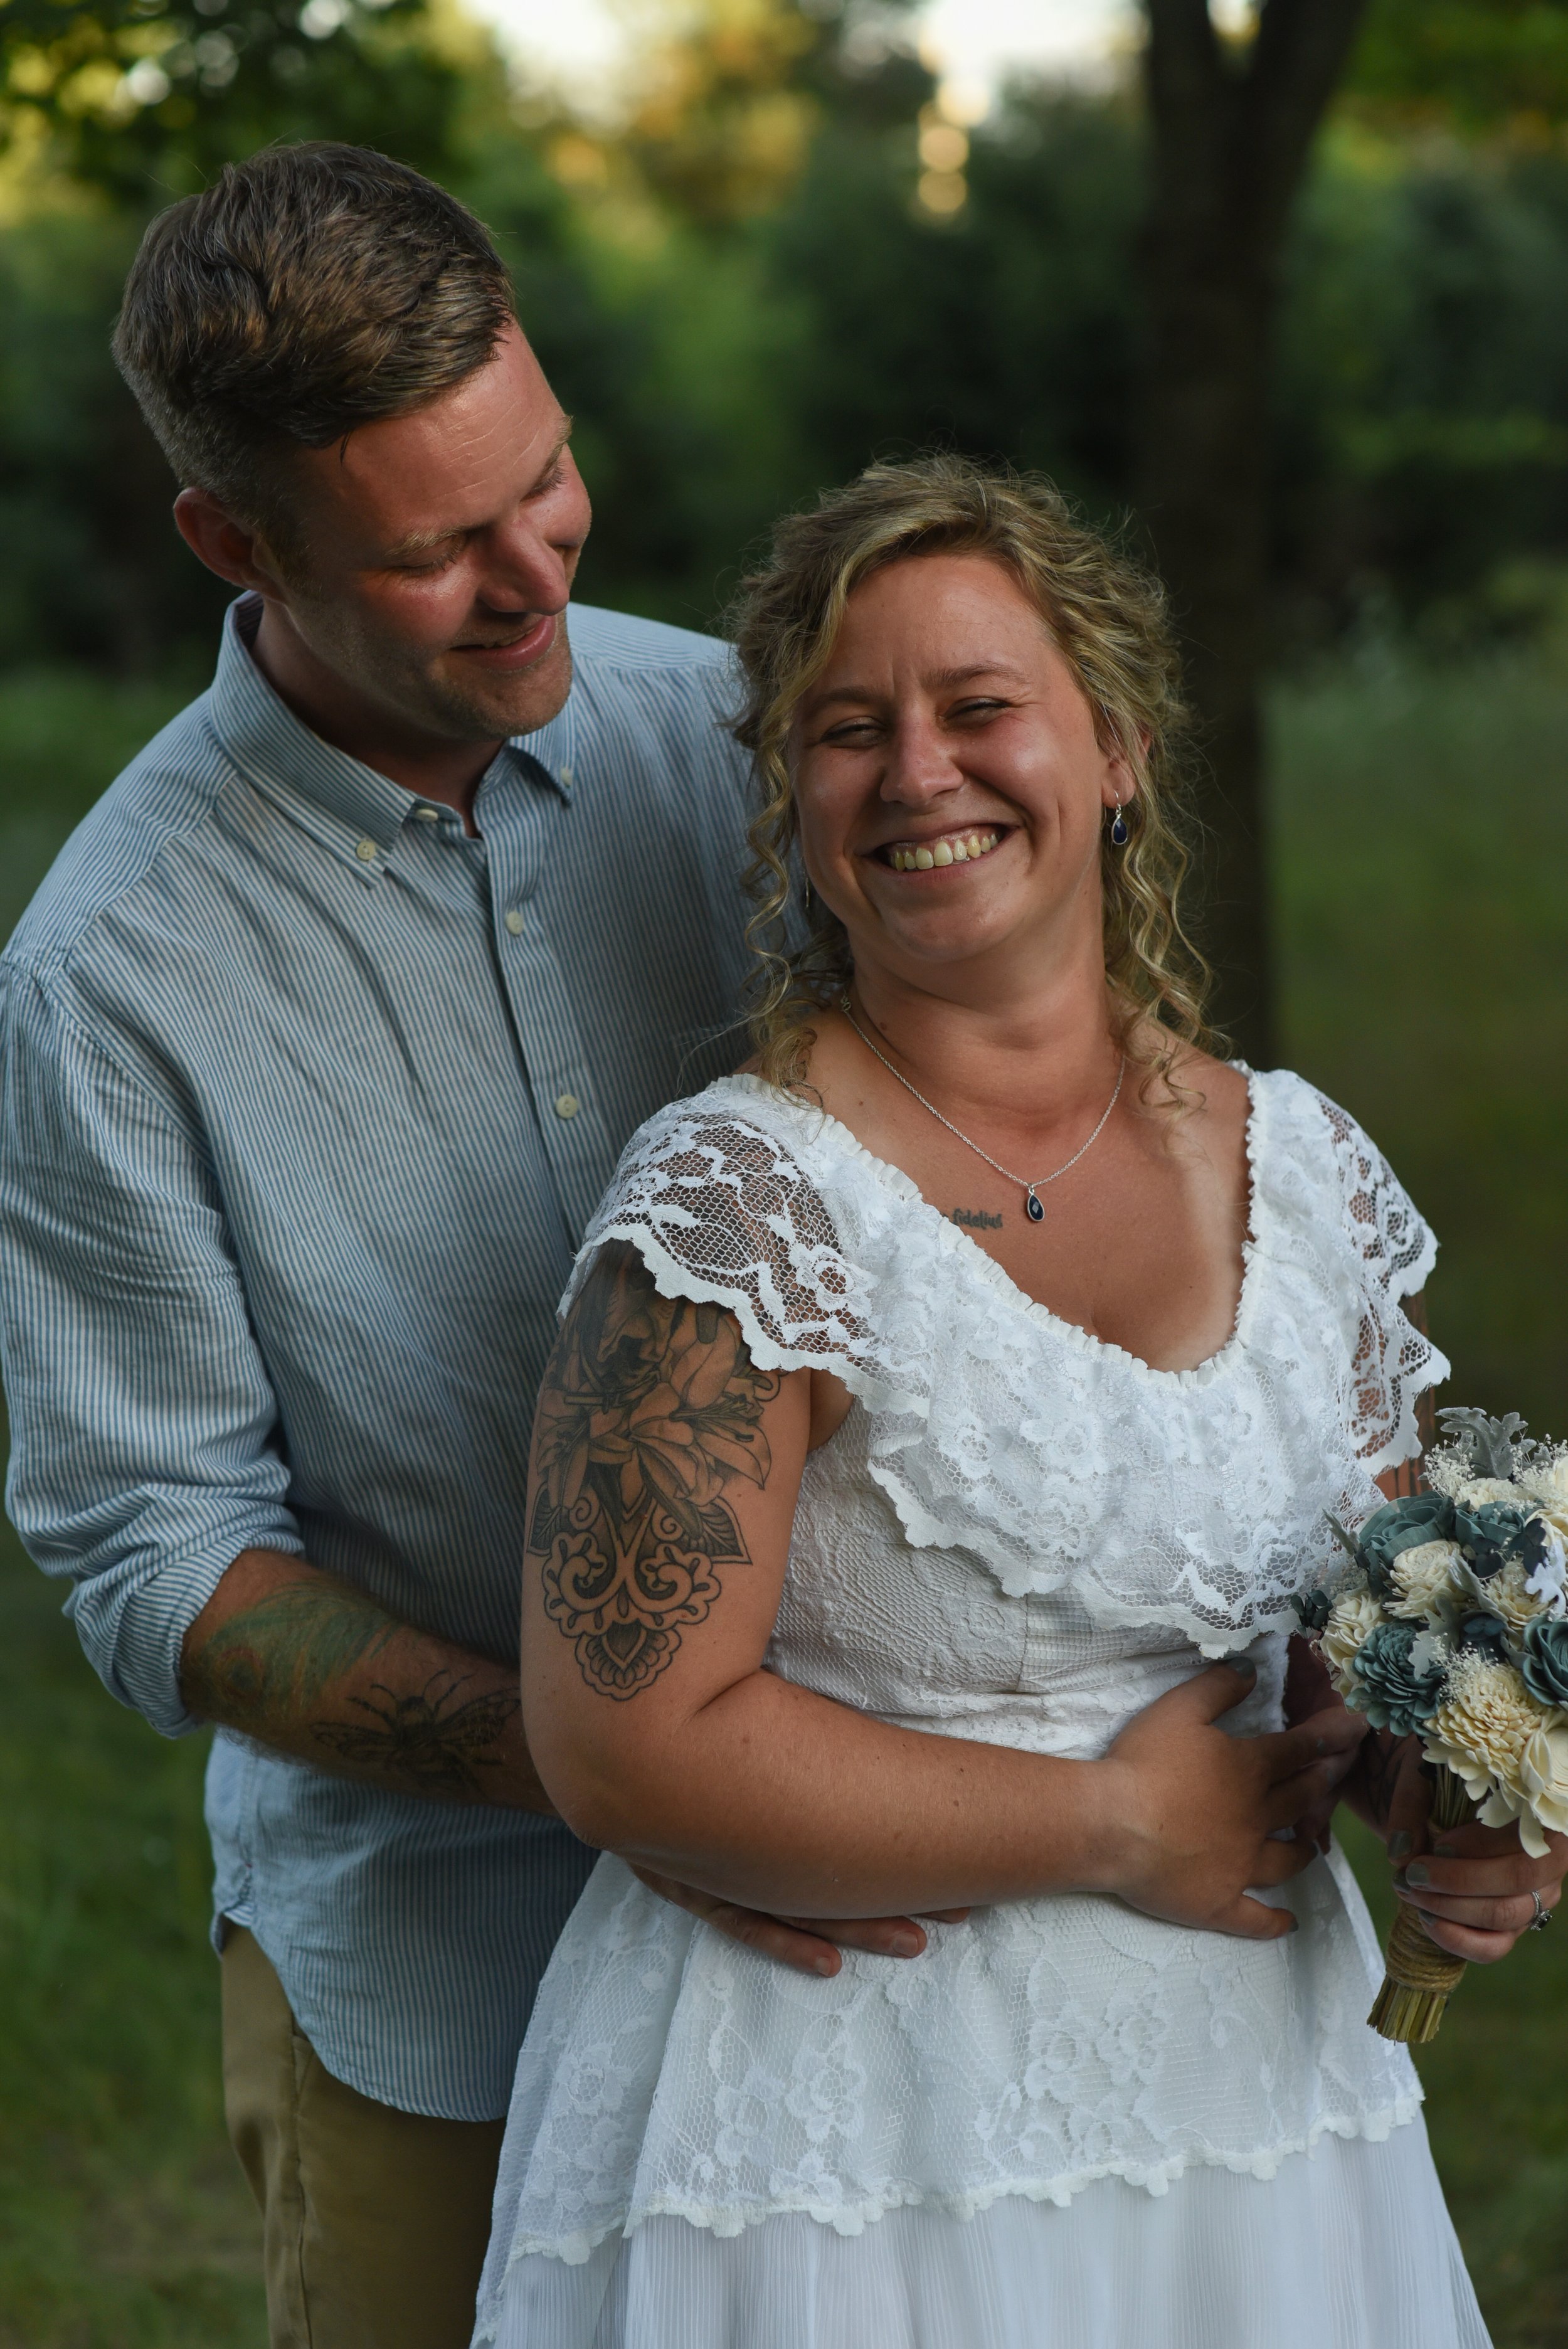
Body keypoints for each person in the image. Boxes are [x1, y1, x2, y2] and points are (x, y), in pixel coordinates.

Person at [0, 143, 940, 2349]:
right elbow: (157, 1555)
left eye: (549, 481)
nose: (534, 574)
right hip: (446, 1984)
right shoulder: (105, 982)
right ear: (232, 542)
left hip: (905, 1926)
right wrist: (636, 1756)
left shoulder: (731, 743)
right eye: (436, 552)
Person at [475, 457, 1565, 2348]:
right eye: (845, 730)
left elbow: (1355, 1644)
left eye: (979, 708)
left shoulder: (1295, 1164)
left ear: (1116, 747)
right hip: (843, 2155)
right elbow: (627, 1744)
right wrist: (1115, 1827)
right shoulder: (738, 1210)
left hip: (1256, 2132)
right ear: (792, 803)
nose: (917, 774)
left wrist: (1463, 1792)